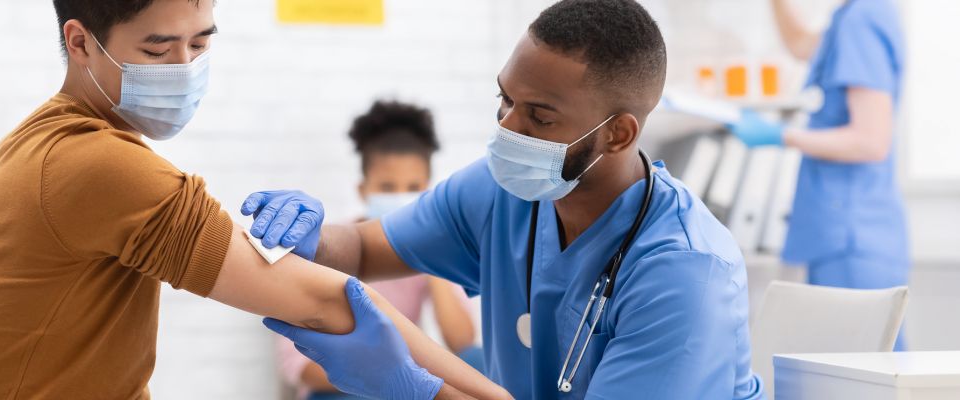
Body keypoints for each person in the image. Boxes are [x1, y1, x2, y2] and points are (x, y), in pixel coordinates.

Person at [0, 1, 507, 399]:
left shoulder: (36, 143)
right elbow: (329, 299)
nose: (185, 69)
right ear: (80, 42)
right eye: (158, 51)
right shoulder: (96, 164)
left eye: (199, 43)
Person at [246, 0, 764, 398]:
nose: (506, 130)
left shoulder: (685, 274)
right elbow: (361, 250)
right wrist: (311, 235)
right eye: (505, 99)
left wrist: (415, 387)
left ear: (618, 135)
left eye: (539, 117)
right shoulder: (503, 193)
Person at [729, 0, 908, 349]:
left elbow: (871, 141)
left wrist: (780, 135)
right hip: (847, 230)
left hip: (852, 233)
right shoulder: (852, 16)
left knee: (861, 373)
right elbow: (800, 44)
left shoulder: (862, 18)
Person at [277, 100, 484, 399]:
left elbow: (462, 342)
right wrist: (382, 374)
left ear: (428, 191)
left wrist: (429, 259)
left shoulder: (429, 250)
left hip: (402, 385)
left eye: (413, 187)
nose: (401, 197)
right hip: (340, 387)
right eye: (387, 187)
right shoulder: (327, 249)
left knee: (477, 362)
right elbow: (297, 368)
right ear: (363, 189)